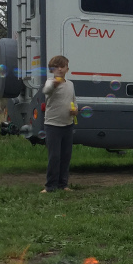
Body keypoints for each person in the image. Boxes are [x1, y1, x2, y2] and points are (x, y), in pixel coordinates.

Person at [41, 55, 76, 193]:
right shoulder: (50, 82)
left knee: (65, 156)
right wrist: (55, 83)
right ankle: (50, 186)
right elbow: (46, 91)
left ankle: (63, 184)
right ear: (52, 70)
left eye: (63, 66)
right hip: (52, 125)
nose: (60, 69)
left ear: (67, 69)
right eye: (57, 67)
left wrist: (75, 110)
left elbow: (73, 100)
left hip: (68, 124)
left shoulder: (70, 84)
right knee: (54, 157)